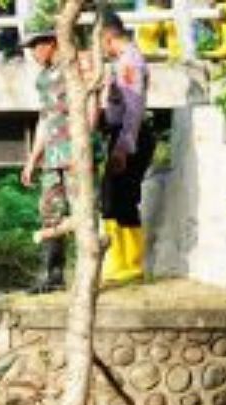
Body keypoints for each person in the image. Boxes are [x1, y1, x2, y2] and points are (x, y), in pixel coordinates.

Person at [100, 11, 156, 284]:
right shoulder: (124, 61)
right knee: (111, 199)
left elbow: (133, 110)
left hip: (130, 137)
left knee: (123, 199)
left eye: (99, 40)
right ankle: (116, 263)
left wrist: (123, 148)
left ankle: (131, 266)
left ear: (108, 37)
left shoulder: (130, 62)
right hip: (122, 134)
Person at [20, 22, 72, 295]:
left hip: (76, 154)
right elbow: (44, 119)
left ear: (50, 43)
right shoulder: (43, 78)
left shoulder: (74, 68)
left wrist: (82, 150)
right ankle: (53, 275)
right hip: (53, 155)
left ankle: (94, 271)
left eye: (35, 47)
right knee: (49, 212)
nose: (32, 53)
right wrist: (32, 160)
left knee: (84, 210)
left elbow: (89, 108)